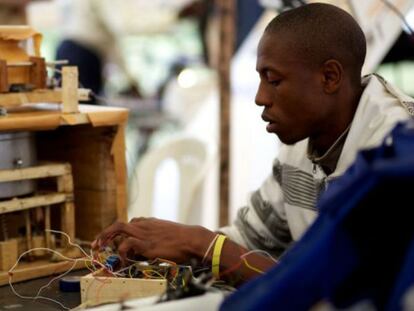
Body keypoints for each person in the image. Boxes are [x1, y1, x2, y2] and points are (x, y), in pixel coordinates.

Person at [92, 3, 414, 285]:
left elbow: (340, 290)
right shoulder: (302, 142)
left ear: (329, 77)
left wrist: (202, 244)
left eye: (273, 81)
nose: (261, 97)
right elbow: (250, 240)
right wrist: (167, 244)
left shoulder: (397, 150)